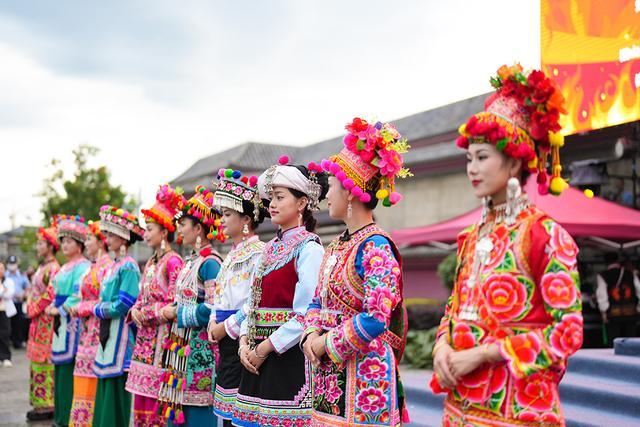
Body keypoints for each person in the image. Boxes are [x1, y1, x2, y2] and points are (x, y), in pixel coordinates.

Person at [430, 64, 583, 426]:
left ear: (514, 162)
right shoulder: (473, 236)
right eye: (469, 158)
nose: (472, 168)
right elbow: (453, 311)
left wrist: (484, 354)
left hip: (519, 410)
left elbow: (568, 331)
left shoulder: (545, 235)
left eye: (482, 157)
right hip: (461, 407)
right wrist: (441, 347)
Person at [302, 118, 411, 426]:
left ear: (350, 191)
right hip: (327, 381)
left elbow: (377, 317)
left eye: (332, 187)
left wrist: (326, 343)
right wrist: (311, 334)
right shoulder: (335, 246)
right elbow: (315, 301)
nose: (326, 196)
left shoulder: (376, 246)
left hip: (365, 382)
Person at [232, 157, 327, 427]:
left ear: (301, 203)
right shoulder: (267, 249)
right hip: (254, 357)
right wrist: (243, 343)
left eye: (279, 197)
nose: (271, 204)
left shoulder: (309, 249)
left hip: (285, 360)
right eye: (270, 197)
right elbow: (251, 303)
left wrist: (263, 348)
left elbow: (306, 314)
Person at [157, 186, 225, 426]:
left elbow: (212, 307)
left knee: (198, 412)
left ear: (198, 229)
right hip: (180, 345)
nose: (179, 229)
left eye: (183, 224)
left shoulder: (211, 263)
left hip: (200, 349)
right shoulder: (190, 262)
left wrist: (178, 313)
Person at [207, 169, 266, 426]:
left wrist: (225, 328)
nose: (221, 220)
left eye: (227, 214)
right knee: (226, 414)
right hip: (223, 339)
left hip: (241, 338)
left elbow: (254, 302)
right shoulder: (230, 255)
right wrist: (212, 322)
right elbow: (218, 295)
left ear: (245, 219)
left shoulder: (260, 253)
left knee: (240, 414)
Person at [126, 185, 184, 426]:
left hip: (162, 342)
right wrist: (135, 309)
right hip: (144, 342)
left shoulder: (173, 261)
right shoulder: (151, 261)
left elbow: (173, 303)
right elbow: (142, 296)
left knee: (156, 401)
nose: (146, 234)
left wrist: (145, 313)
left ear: (164, 231)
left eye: (149, 229)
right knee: (141, 401)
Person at [92, 205, 143, 427]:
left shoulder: (129, 266)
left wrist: (97, 309)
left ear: (123, 239)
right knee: (105, 382)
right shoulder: (114, 265)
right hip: (108, 331)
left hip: (121, 332)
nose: (107, 238)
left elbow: (124, 304)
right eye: (106, 234)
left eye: (111, 234)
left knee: (115, 384)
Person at [47, 215, 91, 427]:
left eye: (69, 241)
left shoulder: (83, 267)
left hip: (72, 323)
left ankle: (67, 417)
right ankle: (59, 415)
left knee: (70, 370)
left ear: (80, 244)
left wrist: (60, 308)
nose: (64, 245)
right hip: (59, 323)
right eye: (62, 241)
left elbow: (79, 295)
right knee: (60, 371)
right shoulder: (64, 267)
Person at [68, 221, 112, 426]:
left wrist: (82, 307)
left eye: (88, 239)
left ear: (100, 242)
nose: (85, 243)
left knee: (93, 382)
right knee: (82, 380)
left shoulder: (108, 267)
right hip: (86, 332)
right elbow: (78, 295)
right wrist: (73, 304)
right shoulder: (93, 266)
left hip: (98, 332)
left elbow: (105, 300)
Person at [25, 223, 61, 421]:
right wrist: (30, 303)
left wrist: (32, 308)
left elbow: (50, 294)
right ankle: (38, 403)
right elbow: (34, 291)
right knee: (36, 361)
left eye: (40, 243)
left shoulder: (54, 268)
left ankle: (47, 404)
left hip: (46, 321)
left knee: (45, 361)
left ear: (50, 245)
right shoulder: (42, 268)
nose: (38, 247)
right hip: (36, 322)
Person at [596, 252, 640, 343]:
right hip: (631, 313)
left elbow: (602, 295)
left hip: (613, 315)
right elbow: (639, 290)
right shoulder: (630, 273)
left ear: (606, 262)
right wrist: (638, 308)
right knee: (630, 343)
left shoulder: (603, 275)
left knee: (614, 344)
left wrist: (604, 312)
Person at [7, 255, 30, 349]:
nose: (12, 265)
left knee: (18, 323)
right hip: (7, 302)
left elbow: (28, 287)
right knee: (7, 324)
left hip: (18, 302)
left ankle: (18, 342)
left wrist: (23, 294)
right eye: (10, 263)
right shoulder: (4, 275)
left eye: (13, 263)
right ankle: (8, 341)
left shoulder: (21, 275)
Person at [0, 260, 17, 367]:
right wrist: (3, 291)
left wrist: (3, 291)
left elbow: (9, 294)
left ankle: (6, 357)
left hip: (5, 310)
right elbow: (3, 293)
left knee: (5, 333)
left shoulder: (9, 281)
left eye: (1, 268)